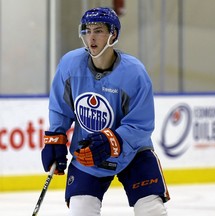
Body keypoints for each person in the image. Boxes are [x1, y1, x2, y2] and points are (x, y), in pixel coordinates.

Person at [41, 7, 170, 216]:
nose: (91, 37)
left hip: (133, 153)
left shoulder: (134, 73)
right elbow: (60, 107)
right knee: (81, 211)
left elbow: (141, 125)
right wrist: (56, 136)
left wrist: (110, 140)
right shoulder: (70, 64)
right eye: (87, 30)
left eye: (99, 30)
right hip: (88, 155)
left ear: (113, 34)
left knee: (151, 211)